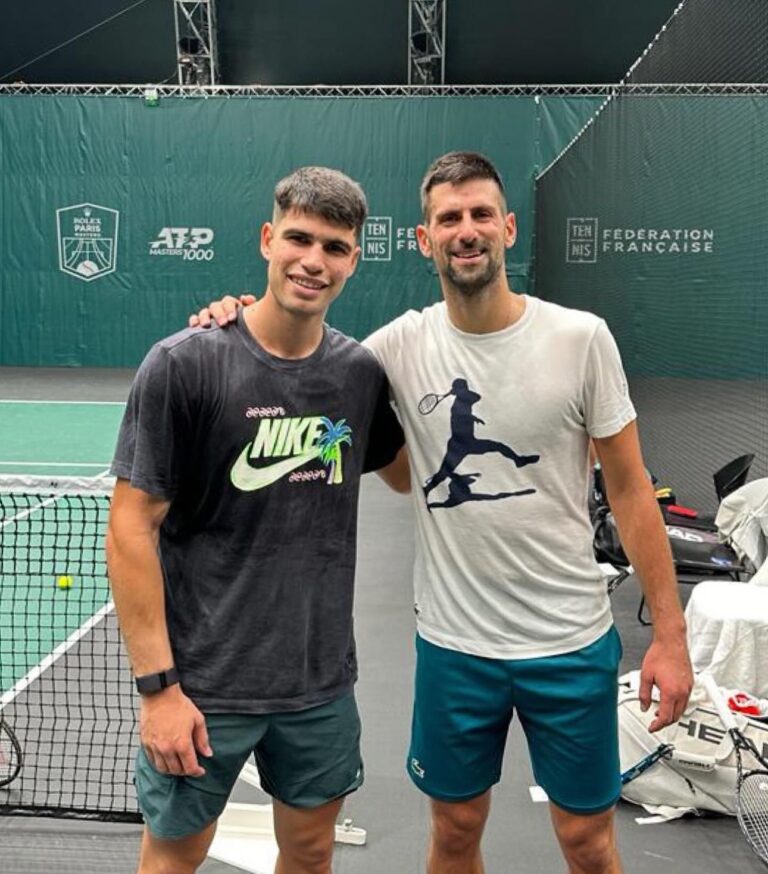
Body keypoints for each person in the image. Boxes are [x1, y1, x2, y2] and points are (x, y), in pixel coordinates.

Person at [191, 151, 693, 874]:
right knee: (455, 834)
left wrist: (669, 638)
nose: (467, 230)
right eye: (448, 218)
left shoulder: (582, 339)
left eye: (481, 214)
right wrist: (235, 318)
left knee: (587, 843)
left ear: (508, 229)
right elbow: (297, 361)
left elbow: (632, 491)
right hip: (456, 648)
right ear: (424, 240)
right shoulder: (395, 349)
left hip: (571, 643)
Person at [106, 166, 406, 874]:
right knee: (174, 858)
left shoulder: (360, 376)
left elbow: (402, 469)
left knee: (308, 854)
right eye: (299, 239)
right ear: (268, 240)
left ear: (354, 260)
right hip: (204, 687)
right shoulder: (184, 365)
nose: (313, 261)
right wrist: (159, 691)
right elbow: (130, 528)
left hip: (320, 682)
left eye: (335, 247)